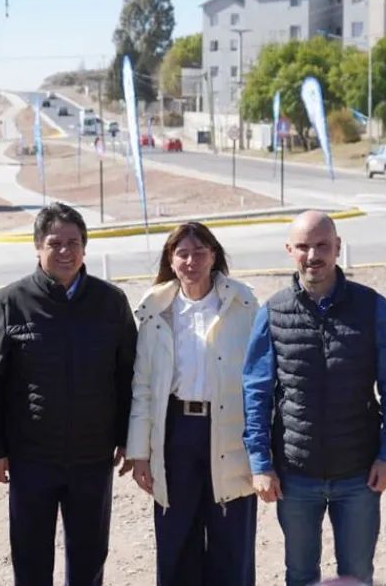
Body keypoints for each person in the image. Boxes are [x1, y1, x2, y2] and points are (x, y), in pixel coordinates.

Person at [242, 210, 386, 586]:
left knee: (357, 575)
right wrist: (260, 463)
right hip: (295, 474)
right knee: (301, 576)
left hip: (359, 474)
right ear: (290, 250)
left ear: (337, 247)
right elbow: (256, 392)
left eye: (322, 245)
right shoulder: (273, 311)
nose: (313, 255)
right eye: (303, 246)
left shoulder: (373, 307)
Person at [0, 202, 137, 586]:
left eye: (74, 242)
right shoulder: (8, 303)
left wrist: (126, 437)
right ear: (37, 247)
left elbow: (128, 374)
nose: (65, 251)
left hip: (92, 459)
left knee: (89, 558)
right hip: (31, 459)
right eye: (55, 243)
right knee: (31, 560)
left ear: (85, 247)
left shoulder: (110, 302)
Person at [126, 222, 259, 586]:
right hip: (175, 434)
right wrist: (139, 452)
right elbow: (143, 388)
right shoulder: (155, 311)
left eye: (200, 252)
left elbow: (261, 382)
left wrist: (261, 452)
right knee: (177, 541)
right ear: (171, 259)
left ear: (214, 255)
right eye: (182, 253)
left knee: (231, 543)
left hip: (230, 433)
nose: (191, 261)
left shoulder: (242, 303)